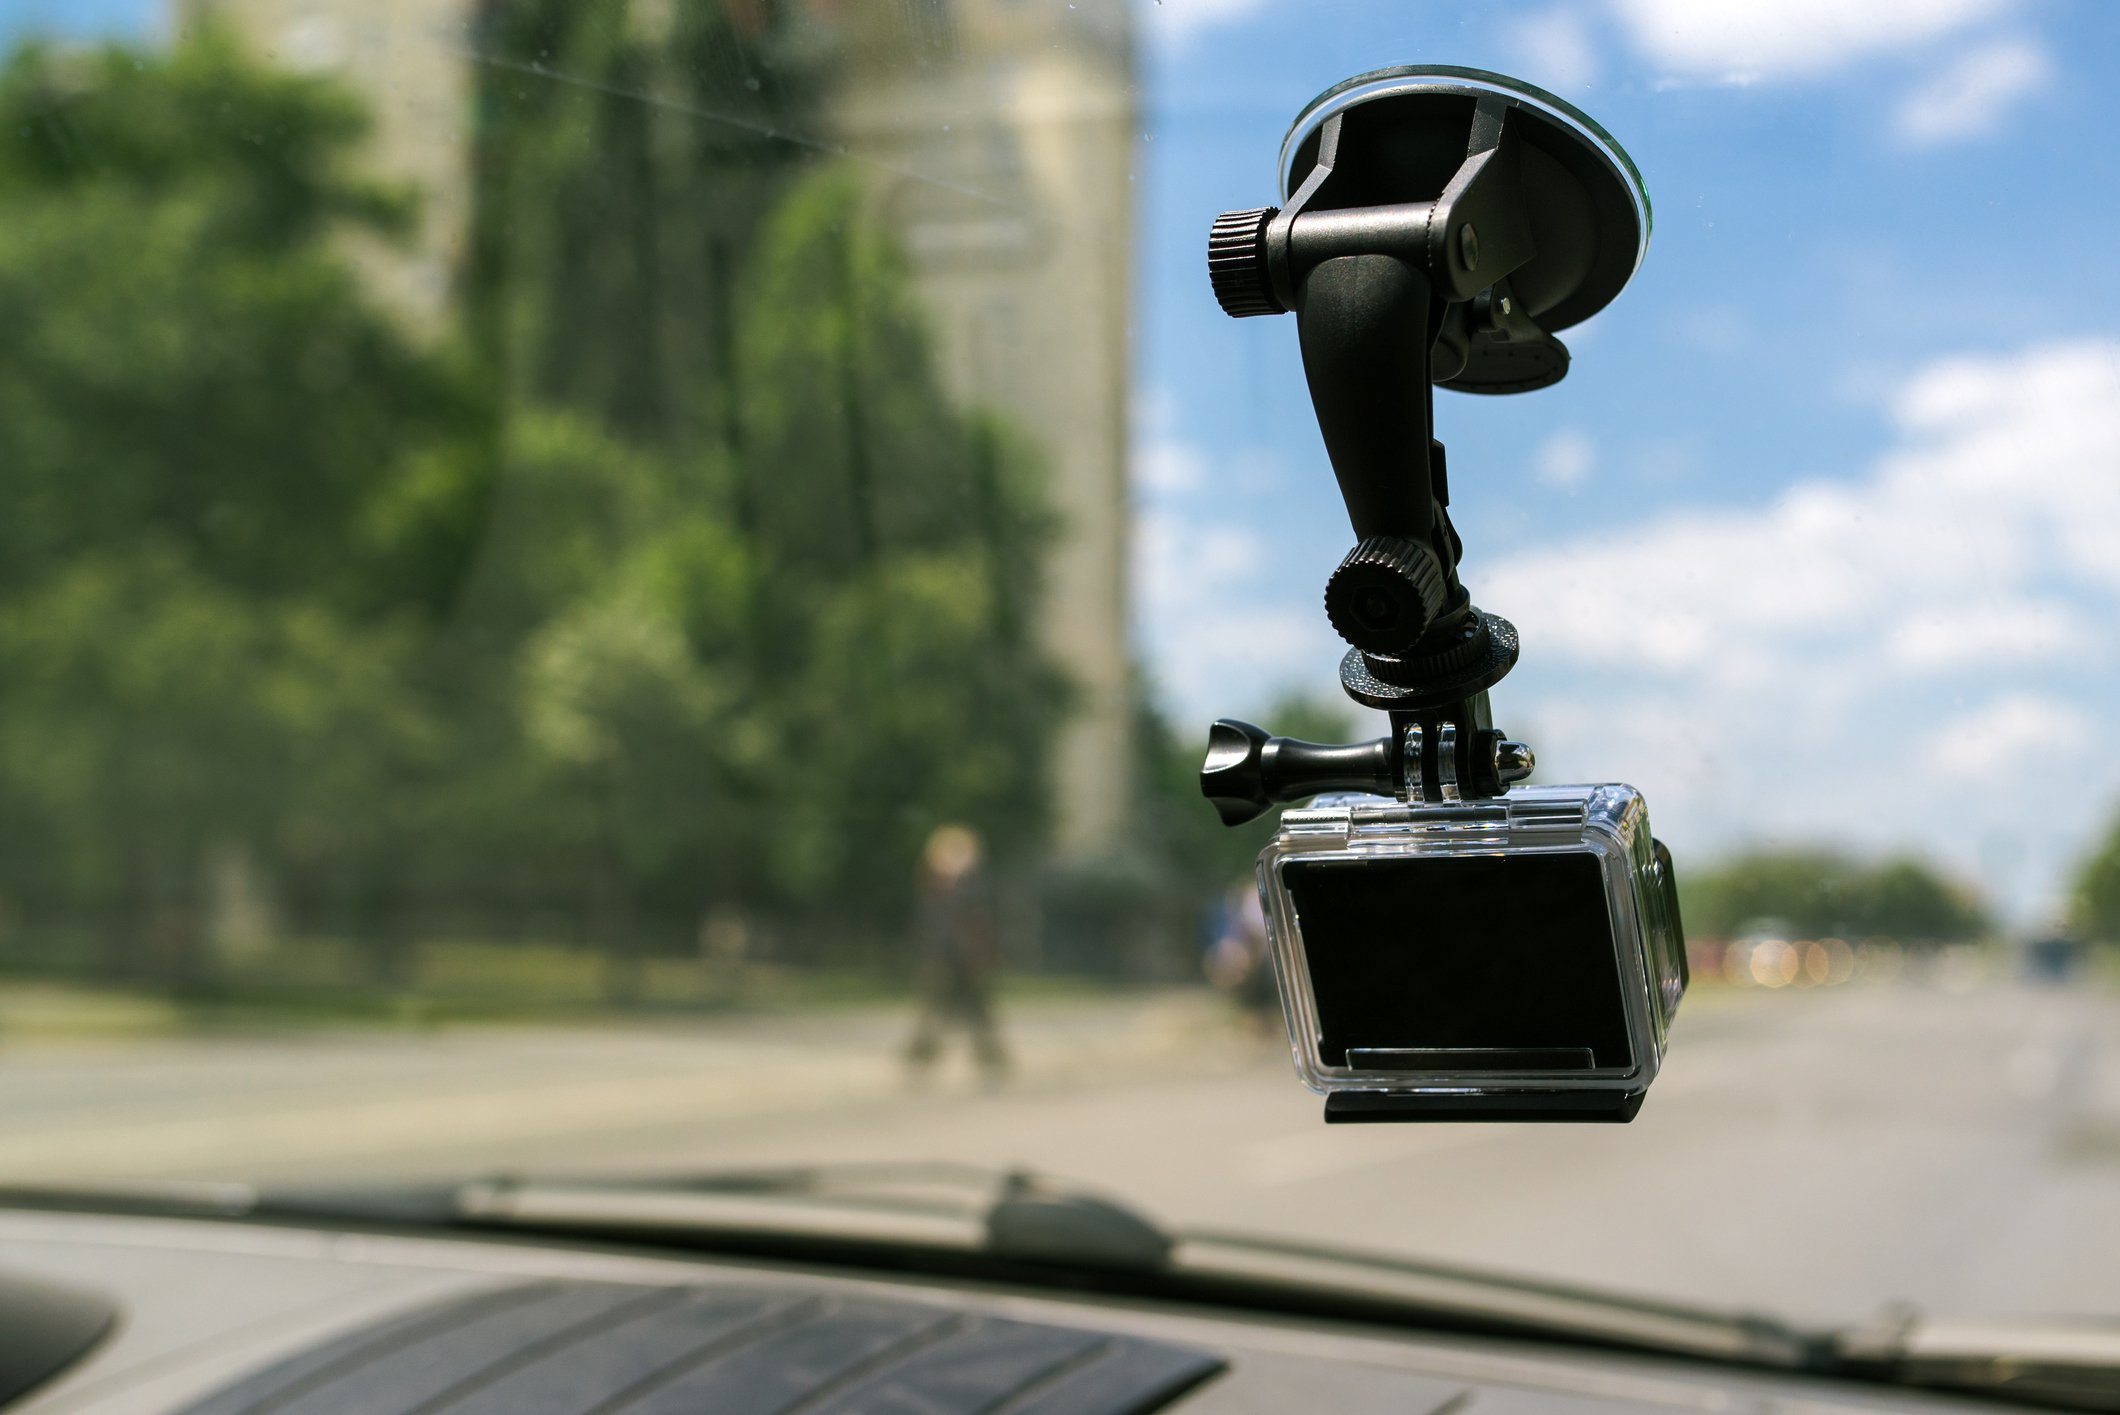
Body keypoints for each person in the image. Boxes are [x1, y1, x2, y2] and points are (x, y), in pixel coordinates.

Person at [904, 823, 1009, 1081]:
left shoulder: (973, 887)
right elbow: (929, 924)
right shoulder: (933, 886)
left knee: (977, 1011)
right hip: (943, 957)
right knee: (935, 1010)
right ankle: (921, 1057)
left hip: (969, 959)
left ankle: (990, 1058)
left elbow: (982, 924)